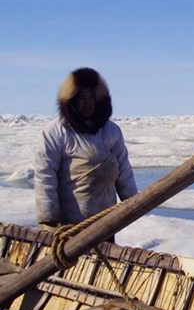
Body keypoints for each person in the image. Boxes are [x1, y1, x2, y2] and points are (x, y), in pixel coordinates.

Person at [34, 67, 138, 232]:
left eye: (91, 97)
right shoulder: (56, 131)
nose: (88, 103)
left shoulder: (111, 131)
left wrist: (133, 202)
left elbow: (124, 170)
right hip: (69, 224)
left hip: (104, 221)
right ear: (72, 100)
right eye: (82, 98)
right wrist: (49, 217)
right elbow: (45, 174)